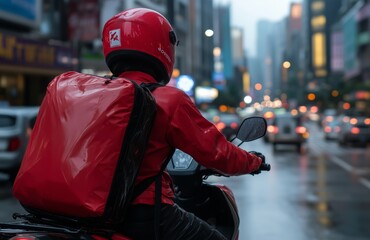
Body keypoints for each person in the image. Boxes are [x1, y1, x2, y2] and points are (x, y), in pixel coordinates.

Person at [102, 8, 266, 240]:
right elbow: (219, 154)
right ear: (163, 45)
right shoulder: (168, 99)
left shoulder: (93, 95)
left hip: (84, 212)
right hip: (142, 212)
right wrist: (254, 161)